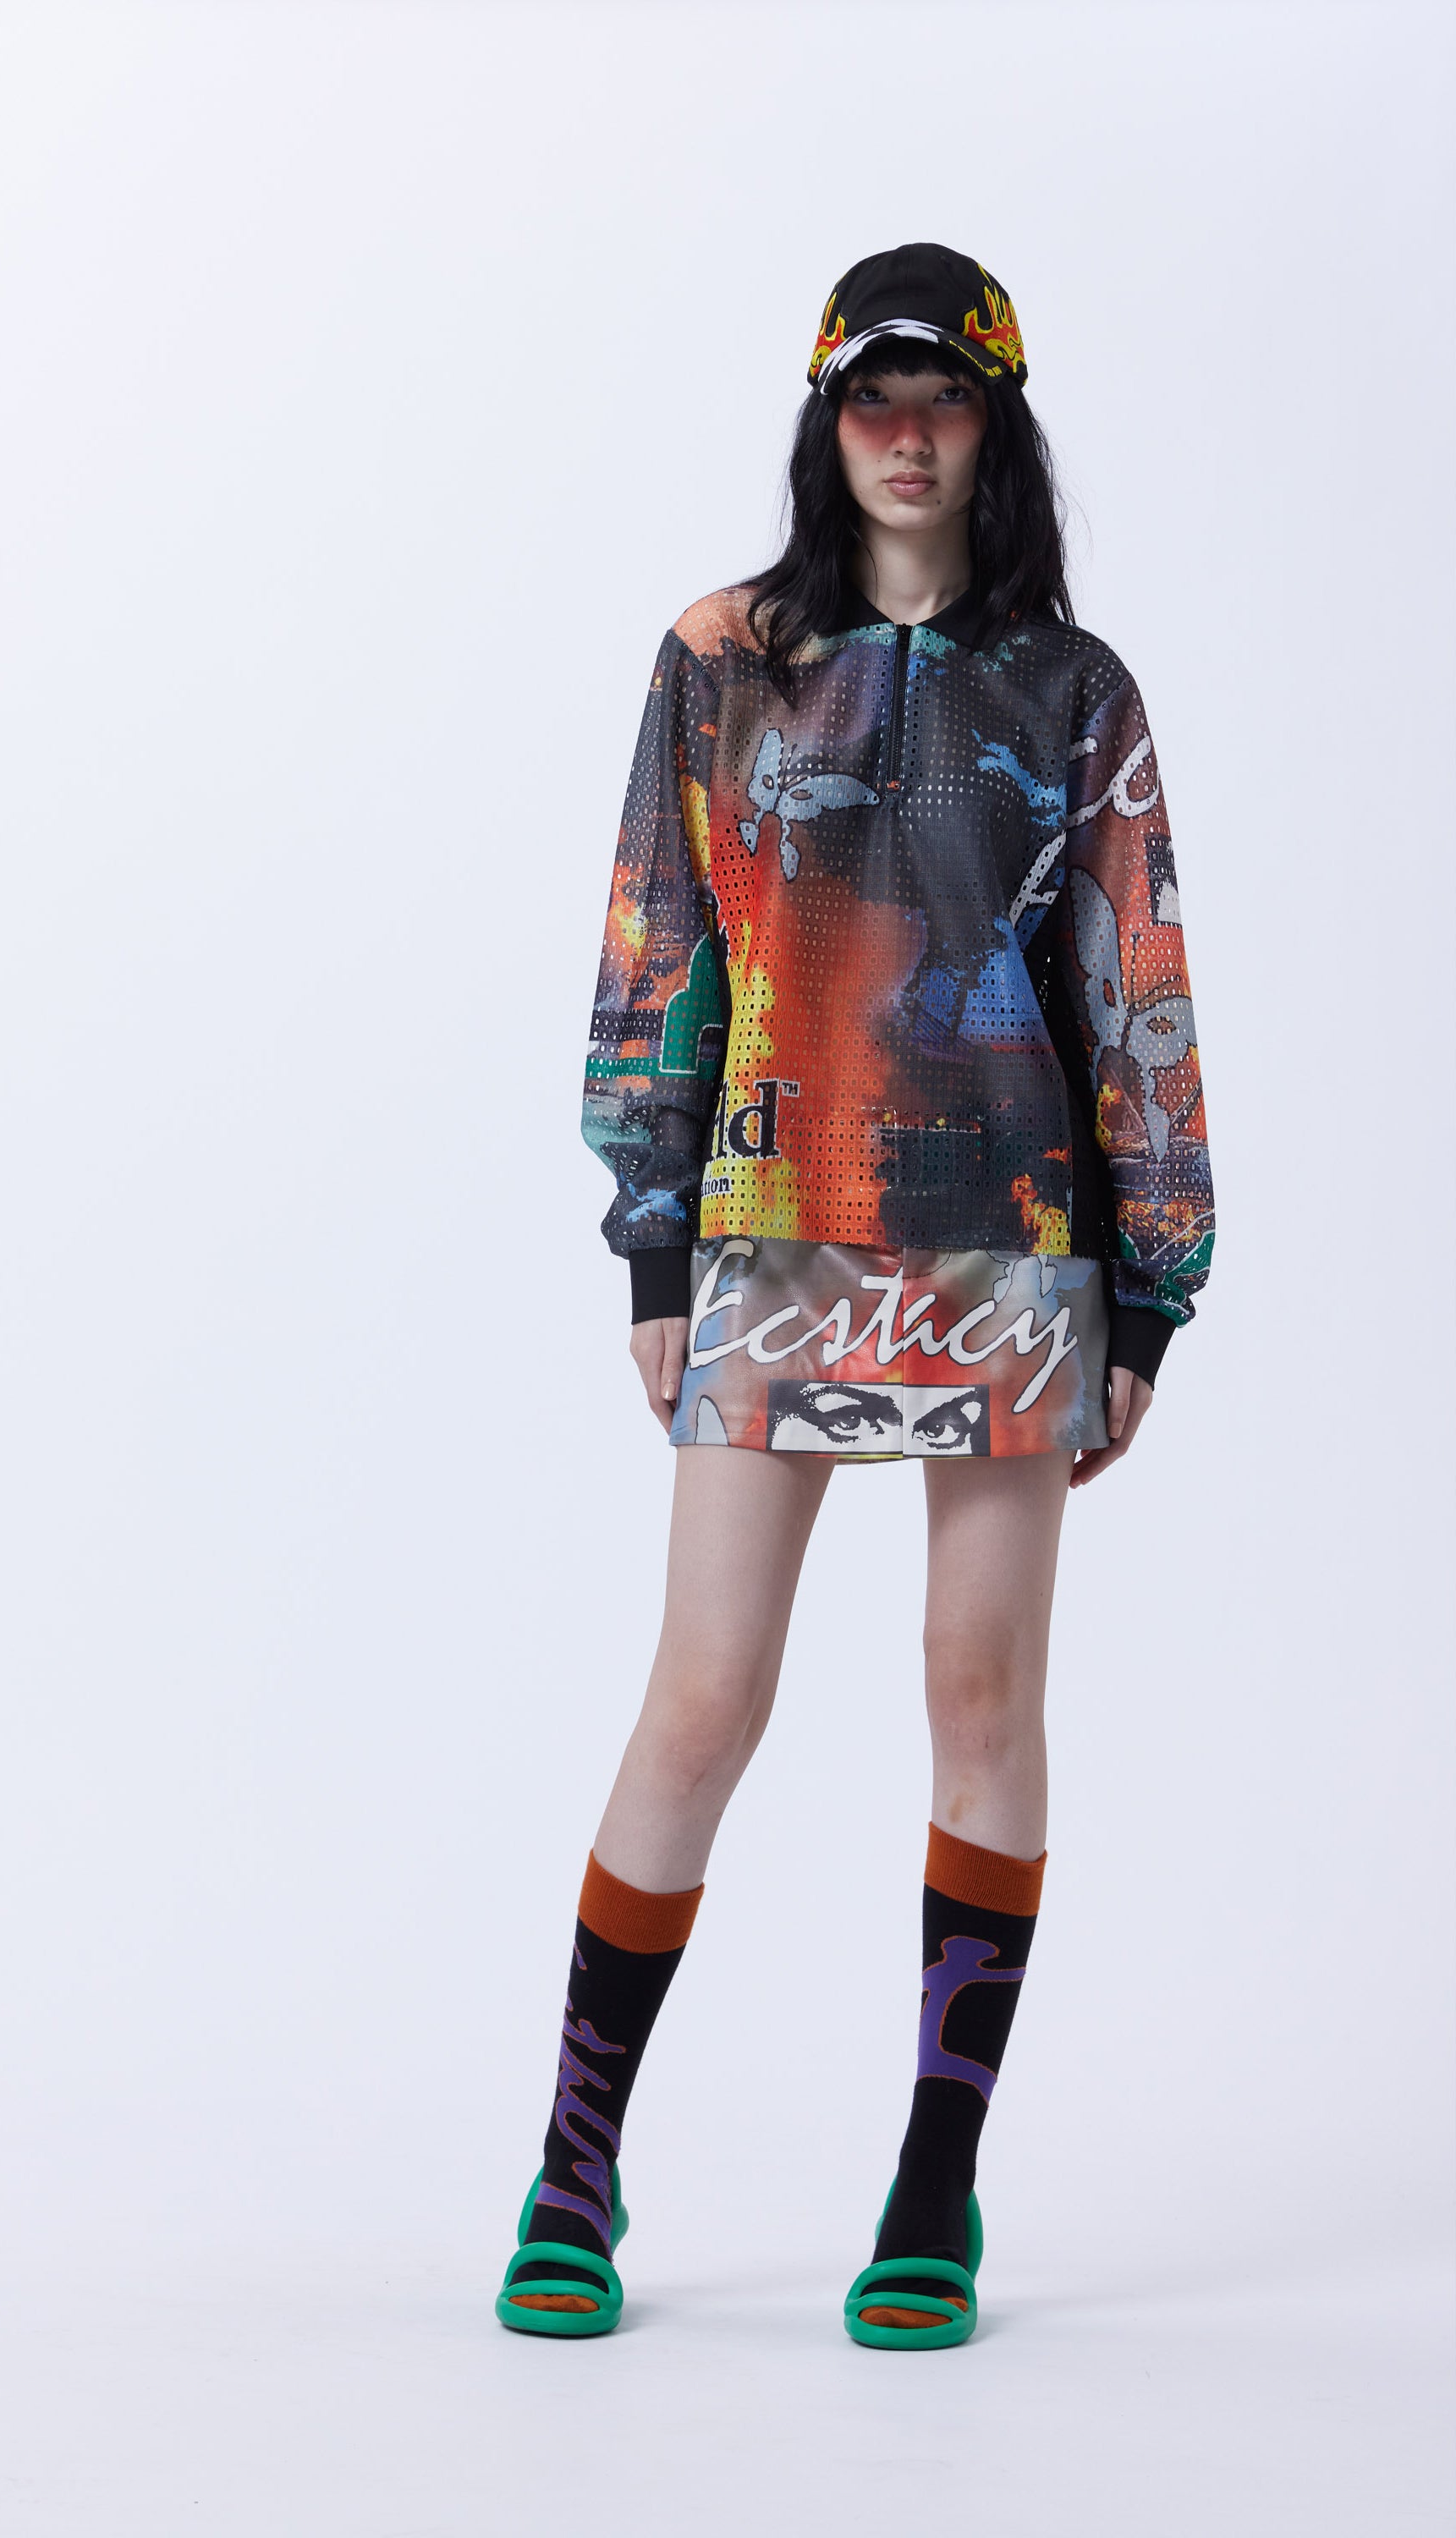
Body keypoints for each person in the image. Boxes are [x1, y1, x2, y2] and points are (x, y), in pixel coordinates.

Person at [494, 243, 1215, 2348]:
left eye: (946, 399)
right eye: (872, 399)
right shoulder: (722, 660)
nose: (907, 435)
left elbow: (1135, 983)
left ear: (996, 426)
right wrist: (653, 1240)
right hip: (768, 1224)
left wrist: (1150, 1288)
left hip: (1015, 1247)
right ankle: (572, 2164)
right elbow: (657, 947)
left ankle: (932, 2187)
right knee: (701, 1700)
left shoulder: (1074, 691)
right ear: (827, 422)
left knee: (979, 1700)